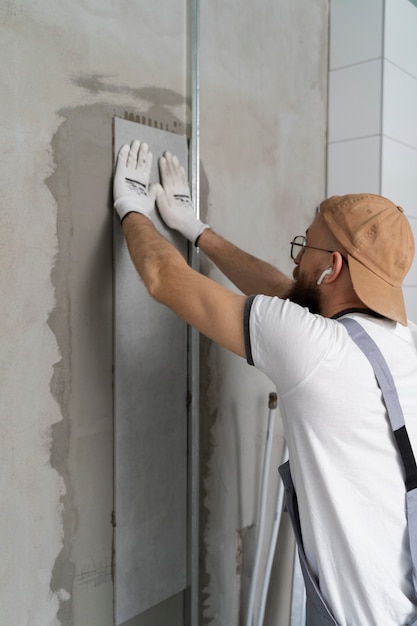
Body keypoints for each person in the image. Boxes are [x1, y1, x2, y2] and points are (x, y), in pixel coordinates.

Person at [113, 139, 417, 626]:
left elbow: (163, 279)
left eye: (305, 247)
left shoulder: (318, 350)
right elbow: (285, 291)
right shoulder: (400, 342)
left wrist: (132, 207)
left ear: (333, 268)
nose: (297, 260)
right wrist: (196, 229)